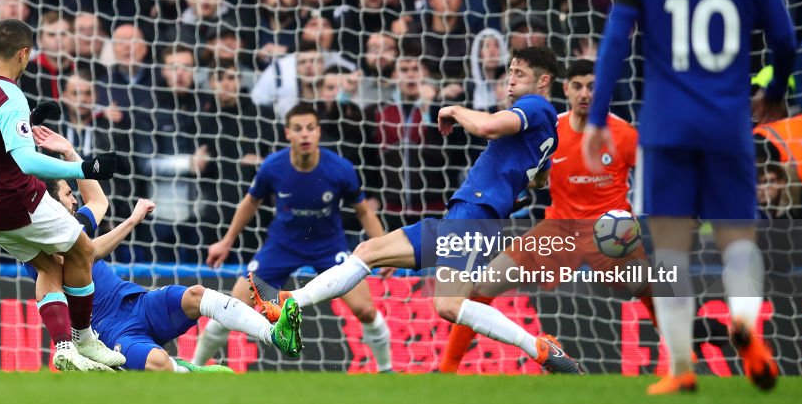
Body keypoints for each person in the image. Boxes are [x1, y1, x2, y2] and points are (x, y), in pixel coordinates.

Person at [583, 0, 798, 394]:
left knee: (673, 246)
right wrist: (772, 93)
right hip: (728, 123)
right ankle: (747, 324)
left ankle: (680, 368)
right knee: (736, 238)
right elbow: (786, 41)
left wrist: (596, 117)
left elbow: (614, 44)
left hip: (666, 127)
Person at [250, 47, 583, 374]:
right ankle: (289, 299)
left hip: (475, 215)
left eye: (520, 74)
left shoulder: (536, 106)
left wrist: (454, 109)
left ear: (544, 82)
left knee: (449, 305)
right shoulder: (550, 133)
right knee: (369, 250)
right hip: (464, 213)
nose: (510, 79)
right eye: (510, 71)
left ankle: (537, 348)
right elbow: (540, 178)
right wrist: (513, 184)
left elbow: (489, 128)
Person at [28, 125, 302, 371]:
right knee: (158, 363)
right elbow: (87, 253)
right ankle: (188, 371)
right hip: (106, 331)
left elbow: (98, 201)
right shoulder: (40, 243)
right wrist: (132, 221)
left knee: (196, 295)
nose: (74, 200)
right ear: (52, 203)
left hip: (136, 302)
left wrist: (69, 152)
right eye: (67, 194)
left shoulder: (75, 224)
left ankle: (273, 333)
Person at [439, 59, 648, 373]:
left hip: (609, 234)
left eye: (592, 86)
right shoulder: (553, 129)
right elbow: (537, 174)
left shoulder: (624, 134)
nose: (585, 93)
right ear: (565, 88)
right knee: (482, 286)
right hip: (559, 232)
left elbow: (652, 182)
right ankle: (447, 370)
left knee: (654, 288)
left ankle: (678, 369)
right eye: (577, 86)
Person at [0, 18, 124, 372]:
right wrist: (84, 169)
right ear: (24, 53)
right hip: (16, 202)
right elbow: (27, 161)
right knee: (82, 250)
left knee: (47, 264)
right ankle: (84, 338)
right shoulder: (10, 95)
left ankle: (63, 347)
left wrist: (26, 122)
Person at [192, 103, 393, 372]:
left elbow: (364, 212)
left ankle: (386, 370)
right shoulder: (273, 167)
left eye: (310, 128)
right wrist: (226, 241)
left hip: (328, 248)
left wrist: (384, 248)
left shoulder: (341, 169)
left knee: (366, 311)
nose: (305, 135)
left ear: (319, 132)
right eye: (298, 129)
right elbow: (250, 202)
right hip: (282, 247)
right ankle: (192, 367)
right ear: (288, 133)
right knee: (231, 308)